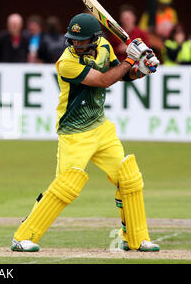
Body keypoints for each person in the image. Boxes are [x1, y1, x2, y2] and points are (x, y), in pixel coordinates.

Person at [10, 13, 160, 253]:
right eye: (74, 40)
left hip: (100, 127)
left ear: (94, 38)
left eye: (82, 41)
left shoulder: (103, 46)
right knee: (66, 187)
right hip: (74, 133)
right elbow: (102, 80)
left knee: (128, 177)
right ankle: (23, 236)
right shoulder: (66, 63)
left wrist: (141, 69)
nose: (77, 44)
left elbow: (119, 75)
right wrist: (130, 61)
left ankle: (136, 238)